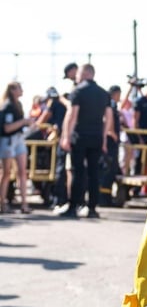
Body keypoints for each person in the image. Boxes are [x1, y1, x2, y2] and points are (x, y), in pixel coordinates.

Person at [55, 63, 113, 219]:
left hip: (79, 137)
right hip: (96, 137)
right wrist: (104, 139)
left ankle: (73, 206)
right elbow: (108, 117)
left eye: (78, 73)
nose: (76, 76)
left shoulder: (78, 91)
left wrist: (66, 136)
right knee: (94, 173)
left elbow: (72, 115)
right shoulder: (103, 93)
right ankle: (92, 207)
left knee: (77, 172)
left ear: (85, 73)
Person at [1, 81, 38, 214]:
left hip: (19, 139)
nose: (22, 90)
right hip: (8, 140)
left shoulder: (19, 105)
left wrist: (29, 124)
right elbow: (7, 128)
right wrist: (24, 122)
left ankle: (24, 204)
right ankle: (2, 203)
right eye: (19, 88)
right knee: (6, 173)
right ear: (12, 90)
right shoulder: (7, 106)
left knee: (22, 171)